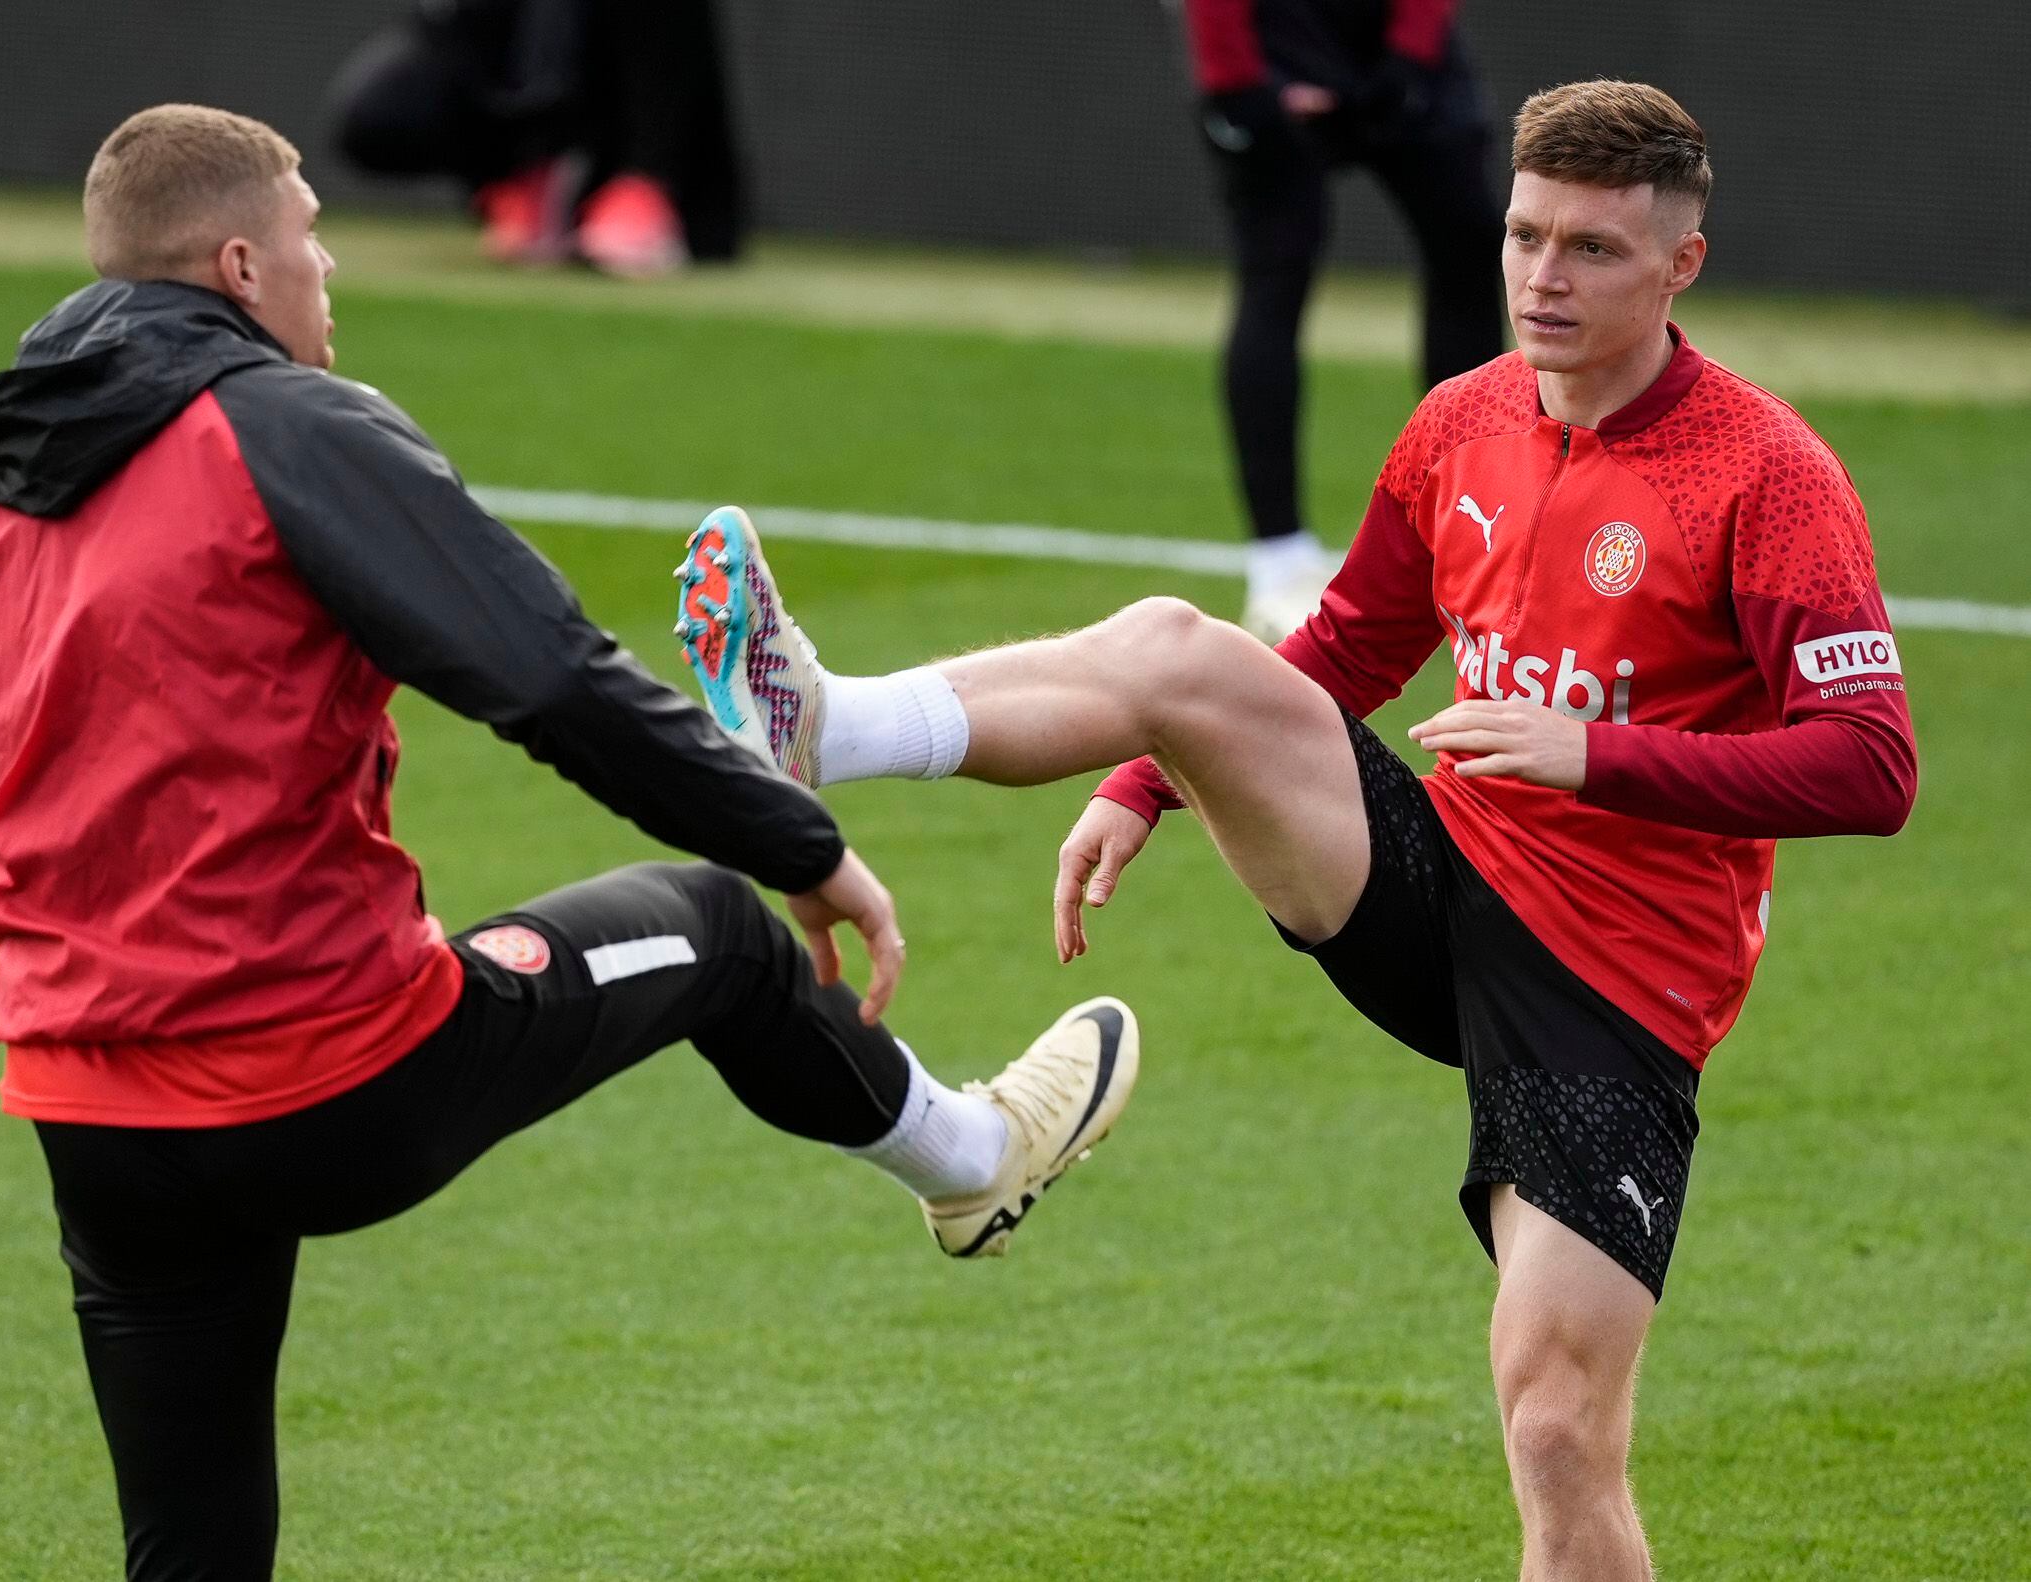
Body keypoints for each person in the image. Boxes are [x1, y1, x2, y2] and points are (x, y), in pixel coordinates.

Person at [0, 104, 1135, 1582]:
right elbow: (547, 675)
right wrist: (798, 837)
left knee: (193, 1552)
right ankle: (971, 1159)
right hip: (332, 1076)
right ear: (239, 267)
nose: (329, 264)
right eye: (312, 232)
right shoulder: (291, 430)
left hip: (97, 1128)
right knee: (719, 927)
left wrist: (124, 916)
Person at [678, 80, 1916, 1579]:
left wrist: (1593, 753)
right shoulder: (1462, 418)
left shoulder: (1766, 476)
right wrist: (1143, 781)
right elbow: (1340, 646)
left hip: (1615, 989)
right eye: (1524, 234)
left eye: (1590, 248)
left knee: (1553, 1431)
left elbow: (1870, 767)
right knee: (1182, 652)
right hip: (1428, 883)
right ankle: (823, 723)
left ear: (1679, 265)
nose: (1540, 276)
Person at [1179, 0, 1506, 639]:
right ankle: (1279, 562)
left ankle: (1480, 540)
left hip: (1399, 34)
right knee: (1275, 270)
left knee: (1468, 252)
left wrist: (1410, 55)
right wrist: (1236, 79)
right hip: (1274, 36)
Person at [330, 0, 743, 277]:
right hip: (516, 95)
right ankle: (522, 188)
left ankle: (643, 194)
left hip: (634, 132)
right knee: (381, 113)